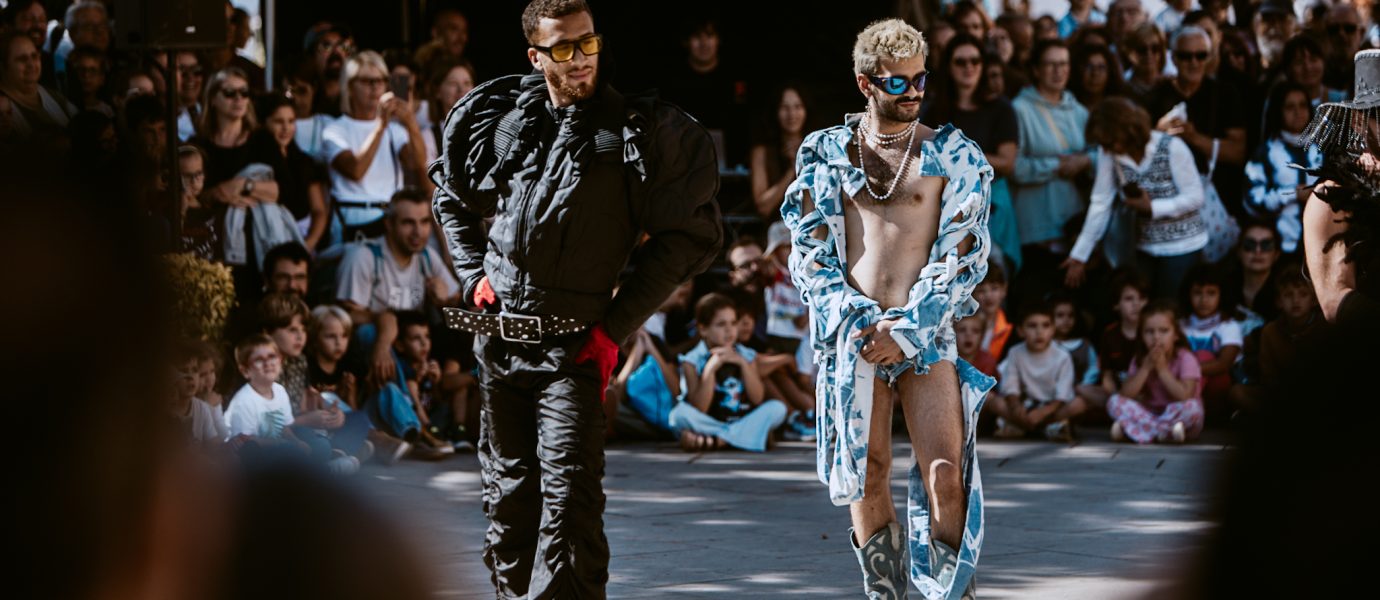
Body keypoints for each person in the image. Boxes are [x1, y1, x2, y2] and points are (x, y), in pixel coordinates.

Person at [430, 1, 723, 596]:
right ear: (536, 57)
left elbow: (692, 236)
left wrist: (615, 327)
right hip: (500, 345)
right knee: (508, 504)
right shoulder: (509, 123)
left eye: (587, 43)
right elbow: (450, 196)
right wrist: (472, 276)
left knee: (568, 507)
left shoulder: (632, 133)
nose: (581, 58)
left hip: (573, 350)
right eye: (563, 48)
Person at [780, 18, 994, 598]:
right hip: (854, 338)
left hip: (923, 336)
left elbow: (964, 254)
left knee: (946, 475)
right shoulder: (826, 153)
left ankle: (951, 593)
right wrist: (855, 320)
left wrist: (908, 328)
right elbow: (809, 251)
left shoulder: (954, 154)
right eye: (897, 83)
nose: (914, 91)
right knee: (867, 472)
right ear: (865, 84)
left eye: (920, 78)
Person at [1063, 97, 1206, 300]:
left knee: (1170, 309)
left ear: (1128, 131)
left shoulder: (1172, 147)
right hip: (1145, 245)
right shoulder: (1109, 155)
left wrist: (1153, 208)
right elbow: (1101, 202)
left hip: (1183, 246)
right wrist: (1080, 254)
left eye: (1110, 142)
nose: (1106, 148)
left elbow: (1195, 197)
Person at [336, 189, 459, 386]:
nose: (418, 232)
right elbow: (346, 316)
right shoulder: (363, 257)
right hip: (376, 349)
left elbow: (458, 300)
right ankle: (410, 412)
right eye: (408, 223)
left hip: (416, 347)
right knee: (368, 332)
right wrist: (386, 325)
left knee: (461, 327)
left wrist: (445, 300)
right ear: (389, 224)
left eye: (425, 222)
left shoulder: (426, 257)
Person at [922, 34, 1021, 272]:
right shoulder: (933, 109)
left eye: (975, 61)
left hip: (991, 206)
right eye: (960, 62)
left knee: (992, 282)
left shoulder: (1001, 108)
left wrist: (956, 155)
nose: (969, 67)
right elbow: (924, 159)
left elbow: (1007, 163)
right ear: (949, 66)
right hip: (943, 209)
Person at [1011, 38, 1092, 301]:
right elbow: (1016, 167)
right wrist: (1057, 166)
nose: (1059, 71)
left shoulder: (1079, 110)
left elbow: (1099, 155)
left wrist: (1085, 161)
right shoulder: (1019, 109)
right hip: (1037, 229)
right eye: (1051, 64)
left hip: (1072, 226)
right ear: (1036, 69)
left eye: (1064, 64)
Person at [322, 50, 428, 242]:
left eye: (381, 81)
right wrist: (380, 127)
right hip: (352, 222)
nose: (376, 87)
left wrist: (410, 121)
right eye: (367, 81)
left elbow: (417, 162)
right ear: (349, 86)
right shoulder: (334, 129)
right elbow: (356, 170)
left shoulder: (394, 129)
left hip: (391, 220)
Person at [668, 292, 787, 452]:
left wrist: (743, 364)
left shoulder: (746, 355)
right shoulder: (691, 360)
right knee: (677, 416)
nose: (729, 330)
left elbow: (757, 398)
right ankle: (744, 437)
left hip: (740, 419)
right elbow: (699, 407)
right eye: (721, 324)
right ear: (703, 329)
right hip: (708, 420)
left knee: (778, 408)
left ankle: (718, 440)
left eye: (733, 323)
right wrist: (710, 369)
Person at [1106, 302, 1204, 444]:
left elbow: (1184, 395)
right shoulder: (1140, 359)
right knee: (1113, 402)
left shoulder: (1186, 358)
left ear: (1176, 335)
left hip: (1179, 415)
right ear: (1141, 335)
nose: (1156, 337)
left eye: (1164, 331)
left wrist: (1162, 369)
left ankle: (1137, 431)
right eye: (1149, 332)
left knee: (1192, 408)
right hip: (1149, 414)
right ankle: (1164, 433)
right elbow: (1126, 394)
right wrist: (1145, 368)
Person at [1244, 82, 1321, 255]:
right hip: (1281, 249)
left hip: (1321, 246)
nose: (1298, 112)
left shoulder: (1322, 150)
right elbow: (1252, 201)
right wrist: (1292, 194)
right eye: (1289, 107)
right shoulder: (1266, 153)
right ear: (1278, 112)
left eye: (1302, 105)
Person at [251, 93, 330, 252]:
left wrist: (306, 245)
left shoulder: (305, 162)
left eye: (291, 121)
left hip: (302, 242)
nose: (286, 128)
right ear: (265, 122)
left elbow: (319, 211)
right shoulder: (253, 160)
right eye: (278, 121)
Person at [992, 302, 1081, 441]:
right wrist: (1016, 407)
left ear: (1053, 329)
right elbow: (1011, 385)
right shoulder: (1015, 352)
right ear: (1020, 331)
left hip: (1051, 408)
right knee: (992, 400)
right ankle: (1045, 428)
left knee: (1079, 404)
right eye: (1032, 326)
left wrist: (1043, 412)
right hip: (1024, 406)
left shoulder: (1062, 356)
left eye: (1045, 326)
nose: (1039, 332)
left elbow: (1063, 394)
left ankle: (1024, 427)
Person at [1179, 264, 1243, 420]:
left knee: (1203, 356)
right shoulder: (1180, 325)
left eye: (1211, 293)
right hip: (1184, 387)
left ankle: (1184, 412)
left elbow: (1224, 364)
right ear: (1188, 294)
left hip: (1218, 392)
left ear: (1222, 295)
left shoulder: (1229, 326)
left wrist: (1189, 371)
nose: (1204, 300)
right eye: (1197, 293)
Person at [0, 30, 76, 140]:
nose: (31, 64)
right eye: (22, 59)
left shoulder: (54, 96)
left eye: (34, 56)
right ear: (2, 66)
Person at [749, 84, 808, 219]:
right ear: (775, 111)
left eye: (798, 107)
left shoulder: (820, 146)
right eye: (784, 107)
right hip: (775, 230)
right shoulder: (762, 152)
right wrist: (792, 169)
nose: (791, 114)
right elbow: (763, 208)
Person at [1098, 270, 1149, 405]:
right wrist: (1117, 396)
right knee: (1082, 391)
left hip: (1148, 394)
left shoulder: (1153, 331)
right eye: (1129, 299)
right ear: (1116, 304)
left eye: (1141, 298)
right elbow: (1107, 376)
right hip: (1120, 393)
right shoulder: (1109, 334)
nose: (1136, 304)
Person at [1049, 292, 1102, 412]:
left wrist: (1084, 384)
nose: (1066, 320)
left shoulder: (1084, 344)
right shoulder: (1047, 344)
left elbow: (1093, 368)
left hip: (1080, 391)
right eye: (1060, 316)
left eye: (1070, 316)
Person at [974, 258, 1013, 362]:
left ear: (1004, 290)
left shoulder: (1011, 328)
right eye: (981, 290)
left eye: (994, 288)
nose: (988, 296)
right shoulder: (962, 326)